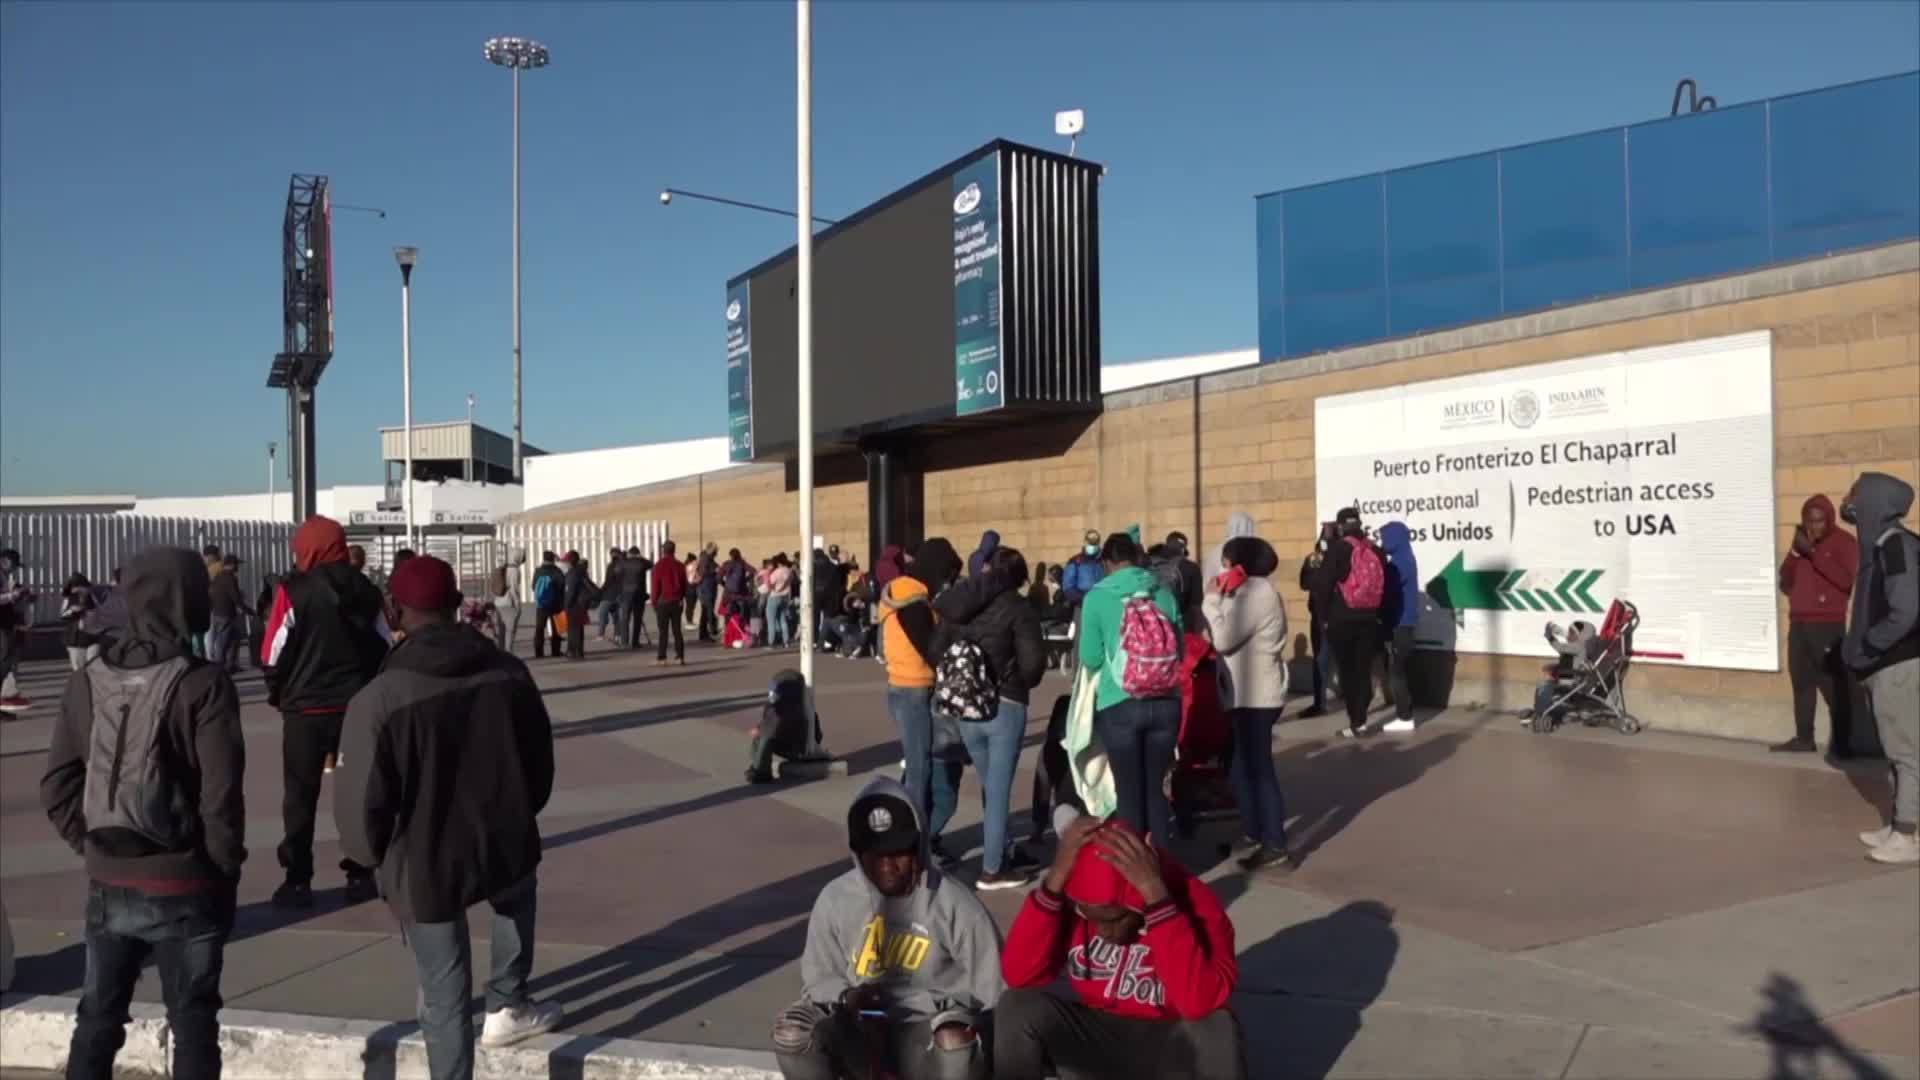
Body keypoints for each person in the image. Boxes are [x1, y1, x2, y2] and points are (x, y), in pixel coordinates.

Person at [334, 555, 562, 1078]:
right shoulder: (508, 670)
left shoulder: (381, 697)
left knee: (445, 993)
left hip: (424, 858)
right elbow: (539, 764)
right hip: (503, 835)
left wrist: (371, 857)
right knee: (515, 894)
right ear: (457, 605)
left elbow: (360, 802)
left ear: (394, 610)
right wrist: (521, 810)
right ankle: (507, 1002)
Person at [41, 546, 246, 1080]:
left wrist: (90, 844)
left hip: (109, 877)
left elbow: (58, 784)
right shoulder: (204, 682)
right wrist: (221, 875)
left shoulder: (88, 679)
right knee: (194, 1024)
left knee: (98, 1018)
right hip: (185, 881)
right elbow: (221, 797)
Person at [771, 777, 1001, 1080]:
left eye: (899, 852)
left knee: (955, 1039)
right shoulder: (835, 899)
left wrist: (937, 1006)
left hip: (927, 1039)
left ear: (918, 848)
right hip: (860, 1032)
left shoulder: (955, 904)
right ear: (857, 852)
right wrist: (847, 997)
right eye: (876, 854)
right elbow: (818, 980)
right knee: (793, 1032)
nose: (888, 865)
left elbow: (993, 992)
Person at [997, 817, 1242, 1080]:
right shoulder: (1074, 905)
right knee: (1017, 1006)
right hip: (1097, 1034)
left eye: (1116, 919)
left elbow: (1199, 1003)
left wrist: (1157, 898)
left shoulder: (1195, 902)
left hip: (1168, 1043)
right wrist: (1056, 878)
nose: (1104, 931)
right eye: (1093, 919)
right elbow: (1018, 974)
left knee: (1217, 1028)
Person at [260, 515, 391, 908]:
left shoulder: (293, 591)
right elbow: (385, 643)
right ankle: (360, 872)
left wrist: (278, 692)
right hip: (356, 706)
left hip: (305, 710)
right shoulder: (366, 589)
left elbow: (272, 652)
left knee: (300, 796)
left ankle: (298, 879)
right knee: (357, 791)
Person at [935, 546, 1047, 889]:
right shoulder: (1018, 607)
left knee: (989, 784)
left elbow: (935, 649)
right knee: (998, 791)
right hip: (1005, 704)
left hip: (967, 706)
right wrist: (1019, 682)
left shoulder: (961, 605)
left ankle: (1001, 848)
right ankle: (993, 868)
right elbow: (1033, 662)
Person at [1078, 533, 1185, 848]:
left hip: (1119, 702)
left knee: (1128, 791)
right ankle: (1162, 867)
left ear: (1108, 563)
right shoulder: (1163, 593)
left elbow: (1090, 657)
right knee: (1155, 787)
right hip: (1166, 701)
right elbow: (1177, 649)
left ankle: (1133, 874)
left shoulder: (1097, 597)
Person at [1839, 473, 1920, 865]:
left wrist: (1871, 645)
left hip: (1896, 665)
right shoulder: (1880, 546)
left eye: (1855, 492)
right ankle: (1899, 823)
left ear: (1875, 499)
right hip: (1884, 664)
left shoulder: (1894, 546)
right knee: (1894, 750)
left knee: (1906, 752)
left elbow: (1905, 610)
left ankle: (1907, 836)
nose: (1847, 499)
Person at [1204, 536, 1290, 871]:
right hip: (1243, 693)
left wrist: (1212, 601)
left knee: (1259, 769)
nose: (1223, 568)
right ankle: (1255, 831)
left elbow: (1224, 639)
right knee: (1241, 768)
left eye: (1226, 561)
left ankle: (1274, 843)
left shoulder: (1257, 593)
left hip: (1257, 696)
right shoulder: (1246, 592)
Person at [878, 538, 964, 857]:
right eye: (945, 576)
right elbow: (927, 646)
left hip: (902, 685)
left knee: (920, 763)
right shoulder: (912, 596)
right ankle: (914, 843)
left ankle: (915, 828)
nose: (945, 584)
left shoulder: (899, 588)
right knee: (920, 767)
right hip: (913, 687)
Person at [1775, 494, 1861, 756]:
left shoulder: (1845, 542)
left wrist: (1812, 553)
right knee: (1801, 683)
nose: (1814, 527)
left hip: (1827, 626)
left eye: (1820, 521)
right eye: (1809, 521)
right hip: (1799, 623)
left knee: (1834, 686)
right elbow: (1784, 580)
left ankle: (1844, 745)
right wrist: (1794, 552)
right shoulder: (1801, 545)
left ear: (1829, 519)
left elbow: (1845, 580)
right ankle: (1804, 739)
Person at [1319, 509, 1384, 738]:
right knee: (1363, 669)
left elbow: (1323, 585)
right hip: (1369, 618)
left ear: (1339, 526)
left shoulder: (1338, 549)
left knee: (1347, 671)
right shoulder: (1375, 550)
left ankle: (1356, 721)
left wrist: (1323, 617)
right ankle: (1361, 720)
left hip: (1342, 619)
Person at [1376, 522, 1421, 734]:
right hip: (1404, 622)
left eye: (1385, 537)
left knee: (1396, 672)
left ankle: (1405, 717)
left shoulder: (1400, 562)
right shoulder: (1404, 558)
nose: (1382, 542)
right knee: (1399, 670)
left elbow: (1387, 591)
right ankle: (1406, 713)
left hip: (1400, 624)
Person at [1297, 522, 1337, 718]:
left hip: (1320, 616)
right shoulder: (1345, 556)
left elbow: (1304, 584)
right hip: (1343, 615)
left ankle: (1320, 703)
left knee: (1321, 659)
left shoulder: (1314, 558)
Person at [205, 554, 251, 673]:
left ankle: (230, 665)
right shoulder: (229, 578)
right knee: (222, 641)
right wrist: (248, 610)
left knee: (234, 639)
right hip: (225, 614)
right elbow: (235, 597)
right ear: (231, 565)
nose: (238, 568)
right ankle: (220, 667)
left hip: (216, 612)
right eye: (237, 565)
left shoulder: (218, 577)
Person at [0, 547, 29, 714]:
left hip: (6, 623)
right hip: (2, 624)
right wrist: (13, 595)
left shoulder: (5, 577)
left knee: (8, 658)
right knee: (5, 657)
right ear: (5, 560)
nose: (15, 569)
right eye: (15, 565)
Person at [651, 541, 690, 665]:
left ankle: (662, 657)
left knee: (663, 631)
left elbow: (655, 586)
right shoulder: (680, 565)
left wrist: (654, 602)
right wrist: (681, 598)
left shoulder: (658, 565)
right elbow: (685, 585)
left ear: (663, 550)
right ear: (674, 550)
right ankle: (680, 656)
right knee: (677, 630)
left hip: (663, 601)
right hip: (676, 601)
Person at [61, 572, 101, 672]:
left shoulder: (93, 598)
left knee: (93, 664)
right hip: (75, 638)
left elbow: (100, 613)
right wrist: (72, 611)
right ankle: (82, 684)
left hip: (93, 636)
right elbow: (63, 615)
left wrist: (90, 613)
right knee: (79, 668)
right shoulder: (69, 599)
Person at [491, 550, 527, 655]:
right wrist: (517, 605)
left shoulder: (504, 568)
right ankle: (508, 654)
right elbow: (514, 590)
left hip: (498, 602)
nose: (523, 560)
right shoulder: (515, 570)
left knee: (501, 631)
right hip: (510, 603)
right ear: (518, 557)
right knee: (510, 631)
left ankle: (500, 653)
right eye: (523, 557)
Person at [561, 552, 594, 661]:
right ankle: (578, 651)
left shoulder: (572, 574)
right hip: (581, 604)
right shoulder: (581, 572)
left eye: (566, 561)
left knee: (572, 629)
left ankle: (573, 651)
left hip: (574, 605)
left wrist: (566, 605)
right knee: (578, 629)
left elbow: (571, 591)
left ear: (570, 562)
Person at [531, 552, 564, 659]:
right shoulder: (557, 571)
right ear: (553, 559)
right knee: (556, 628)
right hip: (555, 604)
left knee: (540, 628)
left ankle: (539, 652)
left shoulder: (538, 571)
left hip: (541, 604)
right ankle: (555, 651)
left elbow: (533, 586)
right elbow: (562, 585)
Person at [619, 546, 652, 649]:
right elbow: (651, 564)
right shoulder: (642, 563)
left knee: (625, 618)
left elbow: (617, 572)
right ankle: (635, 642)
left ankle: (624, 642)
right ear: (638, 553)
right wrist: (640, 557)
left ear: (629, 553)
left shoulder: (624, 563)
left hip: (626, 594)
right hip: (639, 594)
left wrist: (624, 559)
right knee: (637, 618)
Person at [1061, 530, 1105, 607]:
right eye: (1090, 543)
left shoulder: (1104, 561)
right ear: (1085, 542)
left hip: (1102, 605)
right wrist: (1086, 598)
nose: (1092, 546)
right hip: (1081, 606)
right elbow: (1068, 588)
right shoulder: (1075, 562)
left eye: (1094, 543)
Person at [596, 549, 626, 642]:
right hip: (620, 594)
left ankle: (601, 635)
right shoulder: (625, 565)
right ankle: (618, 635)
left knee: (602, 614)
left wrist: (600, 591)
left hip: (609, 595)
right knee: (616, 616)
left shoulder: (612, 566)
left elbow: (608, 581)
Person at [768, 555, 795, 648]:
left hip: (774, 597)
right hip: (785, 597)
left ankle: (771, 642)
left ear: (778, 563)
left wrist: (768, 573)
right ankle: (786, 641)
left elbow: (770, 586)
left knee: (771, 620)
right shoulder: (789, 571)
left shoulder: (776, 572)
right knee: (783, 619)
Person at [697, 543, 721, 642]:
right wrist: (714, 570)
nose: (716, 553)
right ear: (711, 550)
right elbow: (703, 573)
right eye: (715, 550)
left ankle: (703, 633)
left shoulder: (708, 559)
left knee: (705, 612)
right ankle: (708, 632)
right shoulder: (705, 559)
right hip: (706, 589)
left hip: (708, 588)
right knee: (708, 611)